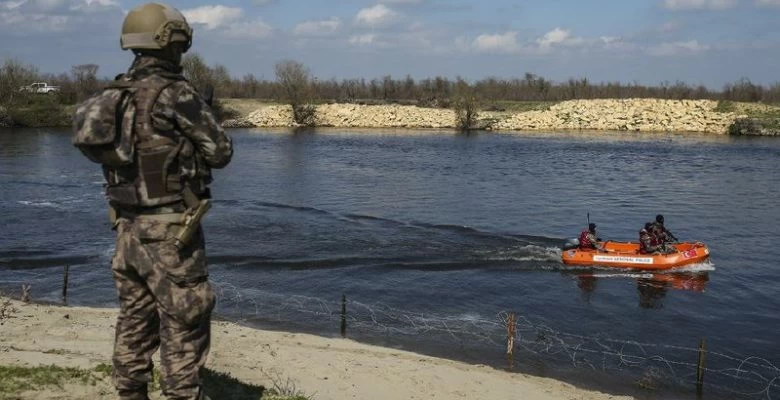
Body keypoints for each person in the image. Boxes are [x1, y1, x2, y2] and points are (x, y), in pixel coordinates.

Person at [73, 3, 233, 399]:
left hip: (125, 228)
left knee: (134, 320)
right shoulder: (176, 94)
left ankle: (130, 393)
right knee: (185, 320)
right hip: (171, 233)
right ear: (173, 42)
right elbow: (220, 153)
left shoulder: (113, 95)